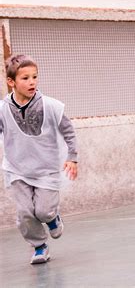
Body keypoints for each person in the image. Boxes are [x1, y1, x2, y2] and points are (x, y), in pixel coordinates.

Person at [2, 55, 78, 264]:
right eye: (25, 78)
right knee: (25, 212)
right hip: (17, 169)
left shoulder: (51, 106)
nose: (32, 82)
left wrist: (72, 157)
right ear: (11, 82)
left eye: (34, 77)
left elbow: (68, 132)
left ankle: (52, 217)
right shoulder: (2, 109)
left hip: (47, 169)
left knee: (43, 211)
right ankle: (39, 246)